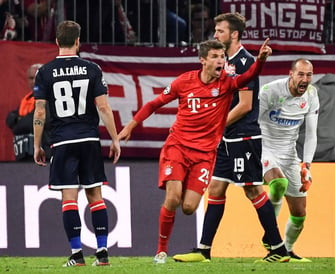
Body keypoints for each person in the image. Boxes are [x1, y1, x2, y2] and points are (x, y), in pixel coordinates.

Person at [117, 37, 273, 264]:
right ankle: (161, 251)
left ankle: (181, 200)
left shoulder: (227, 84)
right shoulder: (185, 81)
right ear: (203, 61)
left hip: (204, 154)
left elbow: (249, 76)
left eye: (222, 57)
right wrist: (131, 126)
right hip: (177, 147)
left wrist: (260, 60)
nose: (221, 61)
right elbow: (155, 103)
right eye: (215, 57)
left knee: (189, 207)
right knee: (172, 197)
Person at [172, 12, 290, 264]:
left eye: (220, 31)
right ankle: (203, 250)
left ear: (234, 34)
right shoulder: (221, 62)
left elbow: (245, 105)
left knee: (252, 189)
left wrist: (214, 123)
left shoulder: (246, 62)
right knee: (216, 188)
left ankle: (278, 247)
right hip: (226, 138)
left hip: (243, 136)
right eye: (215, 31)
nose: (215, 35)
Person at [33, 20, 121, 267]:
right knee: (95, 195)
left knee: (69, 198)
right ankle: (102, 252)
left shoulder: (45, 71)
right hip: (89, 139)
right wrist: (115, 139)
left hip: (62, 141)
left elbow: (40, 111)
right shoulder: (92, 68)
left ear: (57, 42)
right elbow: (103, 106)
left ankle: (76, 254)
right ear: (78, 42)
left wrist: (38, 144)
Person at [258, 58, 319, 262]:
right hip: (265, 149)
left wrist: (307, 165)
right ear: (291, 74)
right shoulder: (270, 91)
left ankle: (288, 250)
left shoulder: (311, 94)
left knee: (300, 213)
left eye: (309, 75)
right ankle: (271, 235)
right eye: (301, 74)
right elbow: (252, 121)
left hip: (290, 155)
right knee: (278, 183)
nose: (305, 79)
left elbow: (311, 134)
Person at [6, 63, 49, 161]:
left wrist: (18, 122)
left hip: (44, 154)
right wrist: (21, 120)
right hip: (24, 154)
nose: (34, 81)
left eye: (37, 77)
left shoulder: (50, 98)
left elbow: (31, 123)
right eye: (31, 78)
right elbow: (9, 119)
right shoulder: (27, 99)